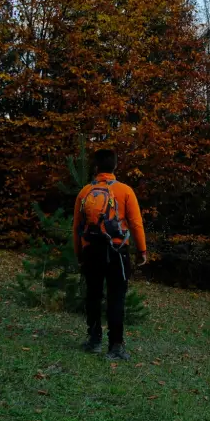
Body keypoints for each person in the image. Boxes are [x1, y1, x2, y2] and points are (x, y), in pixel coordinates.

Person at [73, 149, 147, 360]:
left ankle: (94, 340)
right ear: (115, 166)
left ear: (96, 167)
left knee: (93, 295)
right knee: (116, 298)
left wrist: (79, 252)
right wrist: (142, 250)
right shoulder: (125, 191)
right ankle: (115, 347)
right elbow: (135, 223)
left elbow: (76, 226)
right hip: (117, 252)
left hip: (91, 250)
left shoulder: (85, 192)